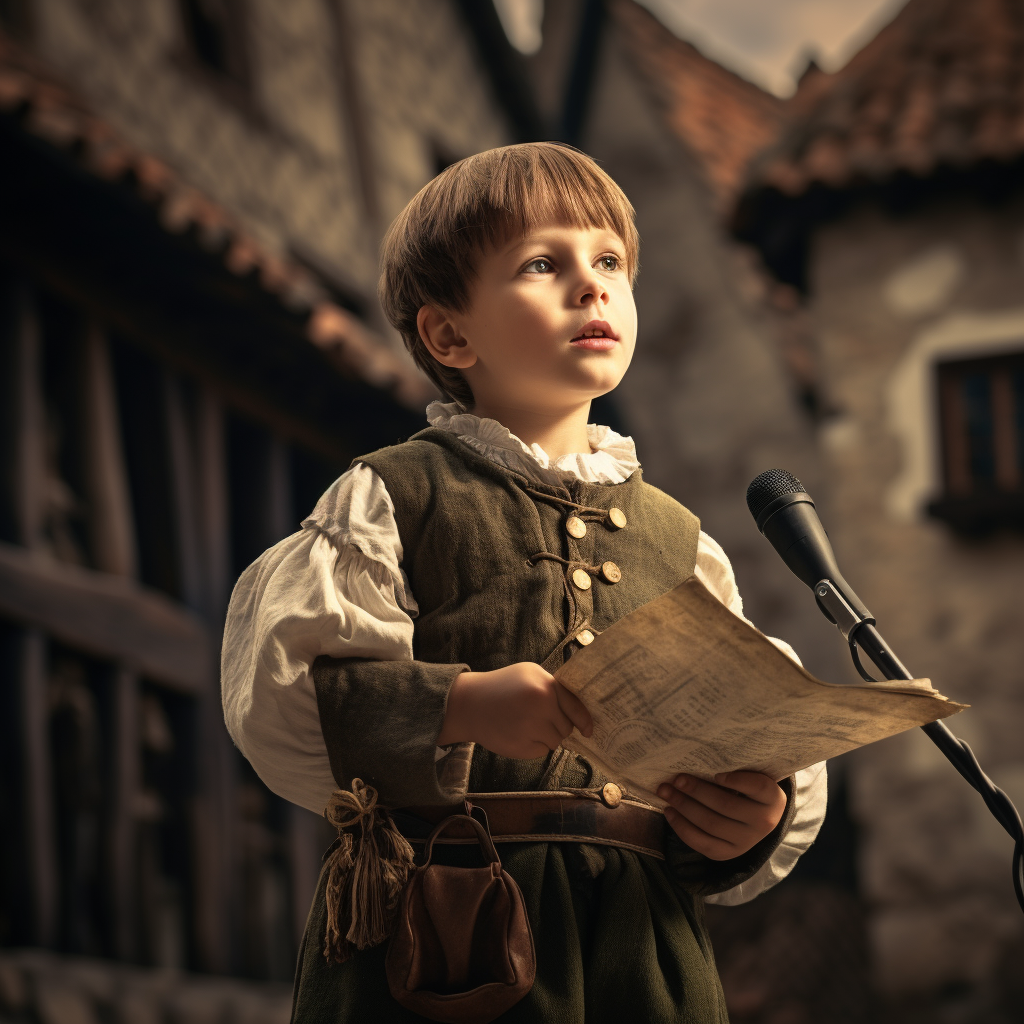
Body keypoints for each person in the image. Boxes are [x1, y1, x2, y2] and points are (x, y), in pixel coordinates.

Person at [221, 142, 826, 1023]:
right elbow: (288, 697)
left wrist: (750, 822)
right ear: (449, 333)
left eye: (610, 262)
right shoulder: (391, 496)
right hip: (452, 931)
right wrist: (458, 705)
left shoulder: (680, 541)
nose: (592, 286)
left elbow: (730, 736)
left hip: (640, 945)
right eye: (544, 264)